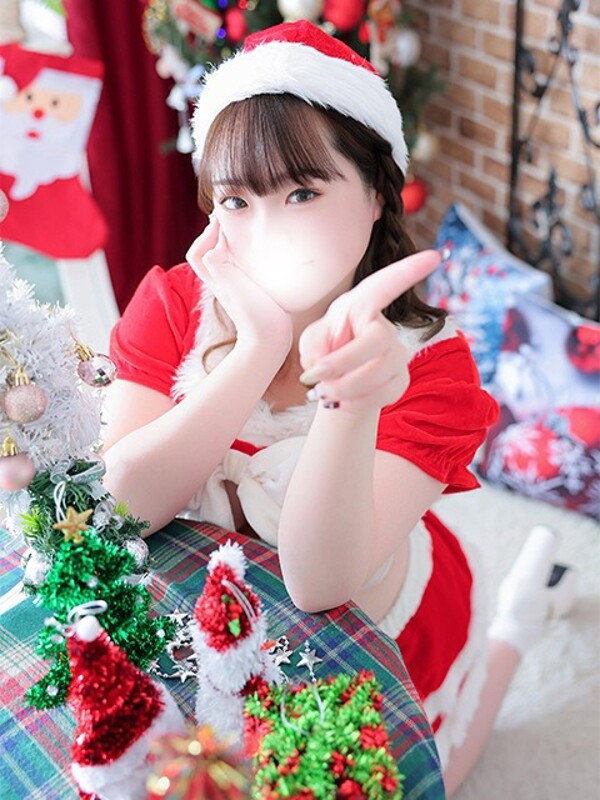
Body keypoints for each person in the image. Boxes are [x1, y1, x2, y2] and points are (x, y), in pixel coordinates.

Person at [101, 21, 576, 795]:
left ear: (377, 194)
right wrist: (256, 350)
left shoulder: (432, 369)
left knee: (443, 771)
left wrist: (351, 403)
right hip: (204, 622)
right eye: (237, 200)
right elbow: (118, 511)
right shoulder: (175, 302)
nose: (268, 231)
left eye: (302, 192)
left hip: (372, 626)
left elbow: (320, 584)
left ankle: (519, 620)